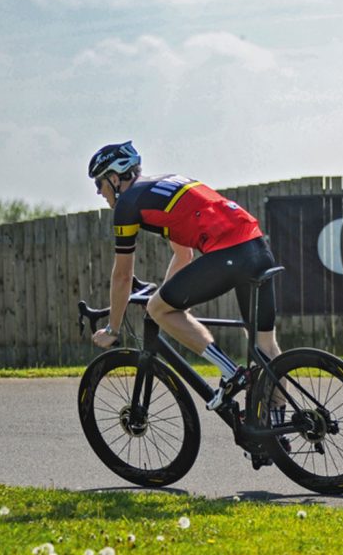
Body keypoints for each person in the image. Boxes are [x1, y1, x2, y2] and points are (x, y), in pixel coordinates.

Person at [87, 140, 280, 411]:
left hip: (230, 254)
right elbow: (183, 255)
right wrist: (169, 297)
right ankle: (277, 430)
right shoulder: (163, 186)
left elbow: (122, 275)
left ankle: (232, 374)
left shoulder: (128, 204)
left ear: (116, 178)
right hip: (258, 248)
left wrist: (113, 329)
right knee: (265, 348)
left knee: (158, 309)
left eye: (99, 183)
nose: (98, 192)